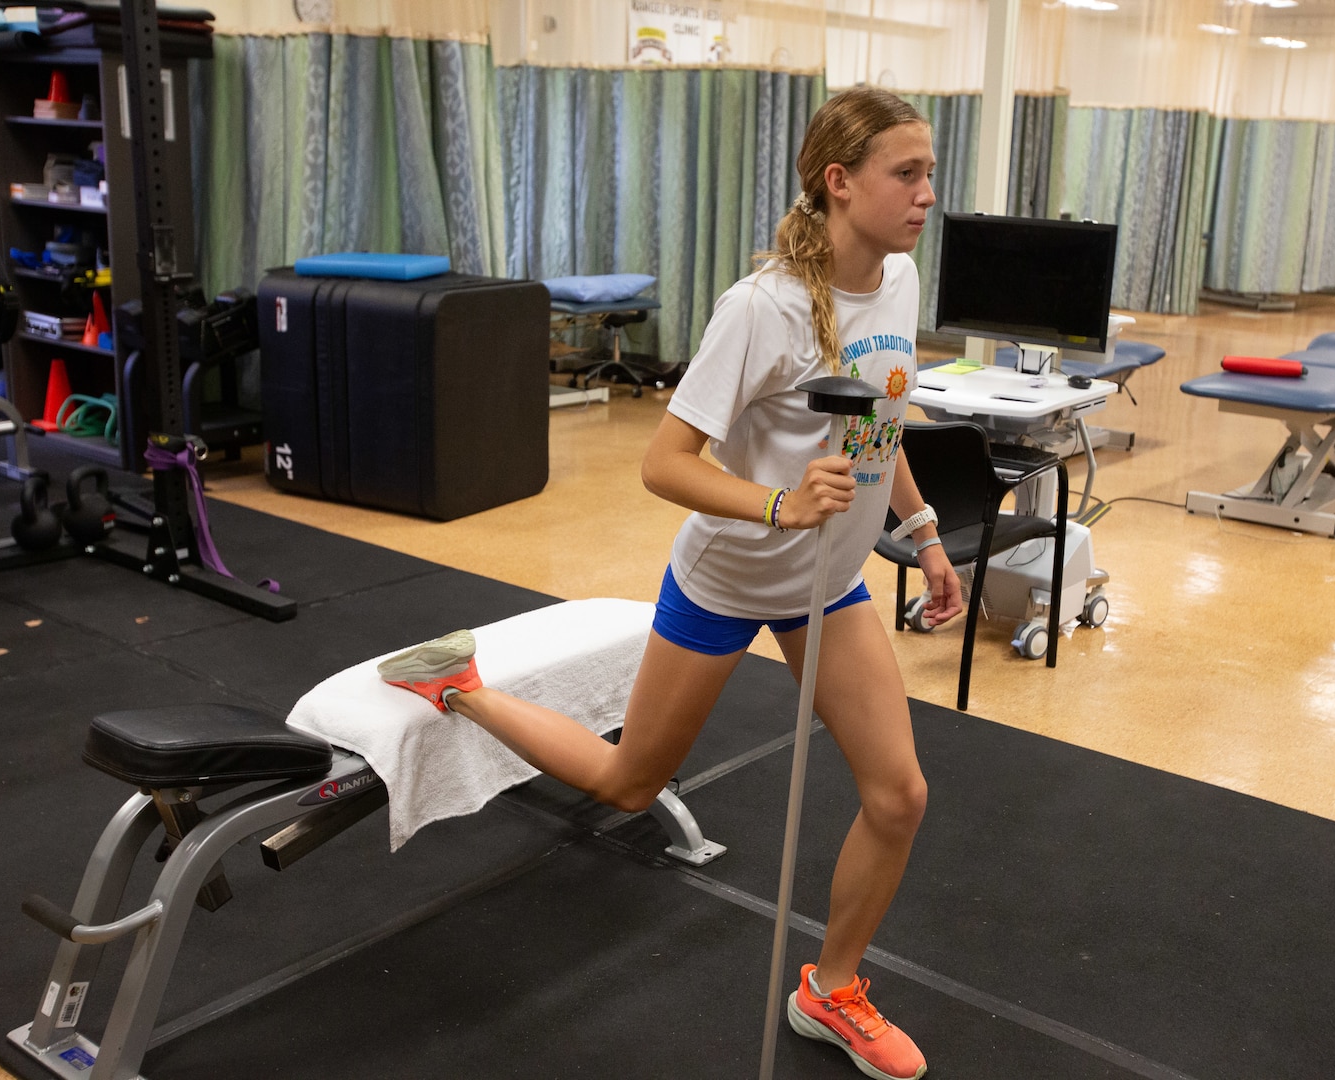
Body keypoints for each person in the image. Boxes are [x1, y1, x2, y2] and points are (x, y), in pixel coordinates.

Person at [377, 86, 960, 1080]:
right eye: (906, 173)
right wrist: (780, 505)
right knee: (628, 782)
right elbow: (664, 464)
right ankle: (461, 687)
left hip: (825, 582)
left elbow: (880, 425)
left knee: (899, 794)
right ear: (839, 182)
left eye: (929, 173)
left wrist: (921, 530)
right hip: (730, 576)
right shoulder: (760, 309)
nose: (925, 195)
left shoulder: (898, 282)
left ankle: (832, 989)